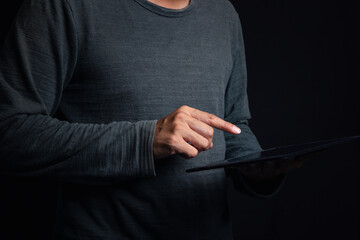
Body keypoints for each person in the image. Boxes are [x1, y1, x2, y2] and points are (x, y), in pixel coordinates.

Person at [0, 0, 302, 239]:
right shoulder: (65, 5)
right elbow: (10, 132)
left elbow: (234, 125)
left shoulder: (223, 13)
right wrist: (146, 140)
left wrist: (257, 167)